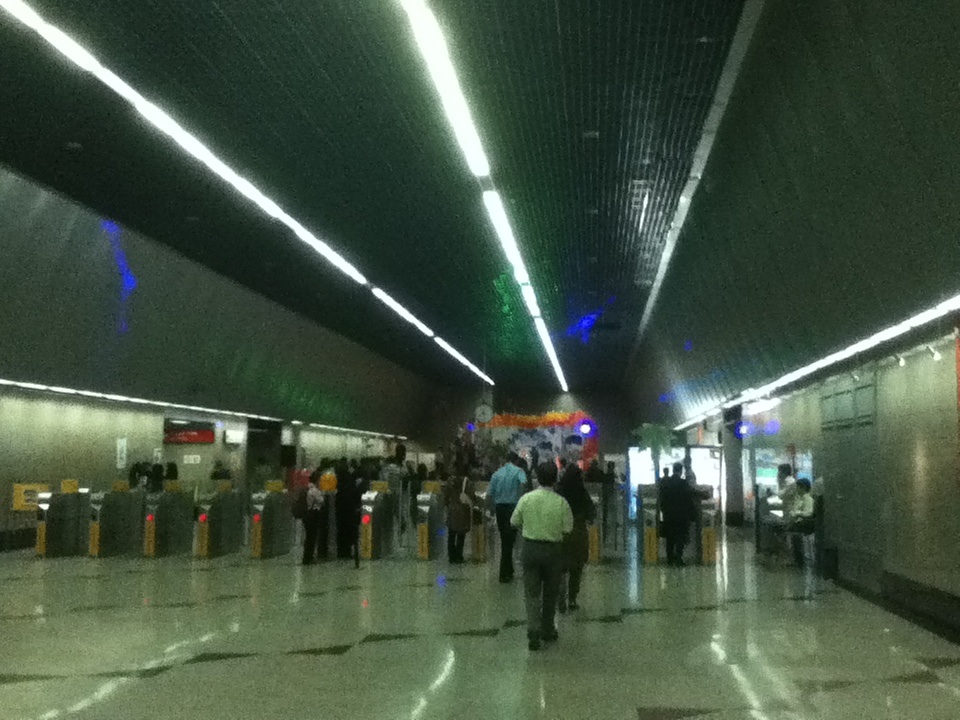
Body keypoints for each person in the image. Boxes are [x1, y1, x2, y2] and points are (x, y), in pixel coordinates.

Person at [511, 462, 573, 651]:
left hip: (530, 549)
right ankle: (547, 629)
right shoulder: (561, 502)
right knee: (550, 593)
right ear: (555, 479)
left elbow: (514, 521)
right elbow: (568, 528)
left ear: (537, 478)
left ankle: (533, 631)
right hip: (553, 551)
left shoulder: (526, 499)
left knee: (531, 593)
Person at [556, 461, 595, 612]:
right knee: (576, 569)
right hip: (578, 534)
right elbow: (591, 513)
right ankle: (572, 599)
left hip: (561, 535)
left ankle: (561, 599)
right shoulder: (582, 493)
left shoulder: (559, 492)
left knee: (560, 569)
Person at [487, 452, 527, 583]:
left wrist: (490, 510)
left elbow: (489, 494)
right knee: (510, 540)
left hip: (500, 509)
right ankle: (504, 573)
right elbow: (523, 484)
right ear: (516, 461)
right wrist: (521, 499)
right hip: (513, 508)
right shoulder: (519, 471)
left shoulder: (497, 473)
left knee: (505, 538)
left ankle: (508, 570)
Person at [659, 462, 696, 566]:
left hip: (669, 515)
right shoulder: (683, 483)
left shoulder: (666, 483)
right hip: (681, 515)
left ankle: (670, 559)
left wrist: (664, 511)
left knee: (670, 537)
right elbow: (688, 499)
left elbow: (662, 499)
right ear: (681, 471)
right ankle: (679, 559)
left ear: (673, 470)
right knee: (680, 537)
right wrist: (692, 514)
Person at [443, 474, 474, 564]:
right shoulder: (467, 482)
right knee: (461, 535)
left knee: (451, 534)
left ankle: (451, 556)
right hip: (463, 510)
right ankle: (459, 556)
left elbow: (446, 496)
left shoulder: (450, 481)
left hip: (452, 509)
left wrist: (446, 505)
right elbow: (472, 496)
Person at [335, 458, 360, 560]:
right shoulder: (350, 480)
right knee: (349, 530)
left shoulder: (338, 480)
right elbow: (354, 493)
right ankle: (347, 551)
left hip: (340, 507)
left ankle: (341, 551)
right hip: (349, 508)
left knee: (341, 530)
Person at [788, 478, 815, 567]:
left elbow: (809, 513)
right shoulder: (799, 499)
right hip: (797, 523)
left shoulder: (808, 499)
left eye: (798, 487)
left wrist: (798, 513)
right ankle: (796, 559)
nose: (796, 489)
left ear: (803, 488)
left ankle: (799, 560)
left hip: (803, 525)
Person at [302, 473, 325, 565]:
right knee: (312, 537)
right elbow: (321, 501)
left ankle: (307, 557)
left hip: (308, 514)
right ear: (317, 480)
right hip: (314, 514)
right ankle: (309, 558)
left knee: (309, 537)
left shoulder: (308, 489)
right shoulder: (314, 491)